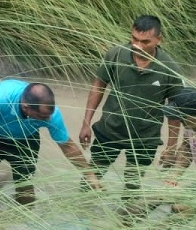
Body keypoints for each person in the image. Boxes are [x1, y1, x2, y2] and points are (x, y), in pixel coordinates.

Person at [78, 15, 185, 194]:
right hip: (110, 130)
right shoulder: (116, 54)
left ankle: (126, 219)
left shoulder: (169, 69)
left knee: (133, 187)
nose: (138, 46)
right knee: (91, 180)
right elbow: (98, 86)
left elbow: (174, 109)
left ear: (159, 40)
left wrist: (171, 147)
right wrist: (86, 123)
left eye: (145, 42)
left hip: (145, 138)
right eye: (134, 39)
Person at [0, 80, 101, 205]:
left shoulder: (51, 115)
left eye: (49, 115)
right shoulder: (0, 96)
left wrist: (89, 175)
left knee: (25, 190)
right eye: (43, 117)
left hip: (25, 140)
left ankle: (23, 221)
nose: (48, 119)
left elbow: (68, 146)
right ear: (26, 107)